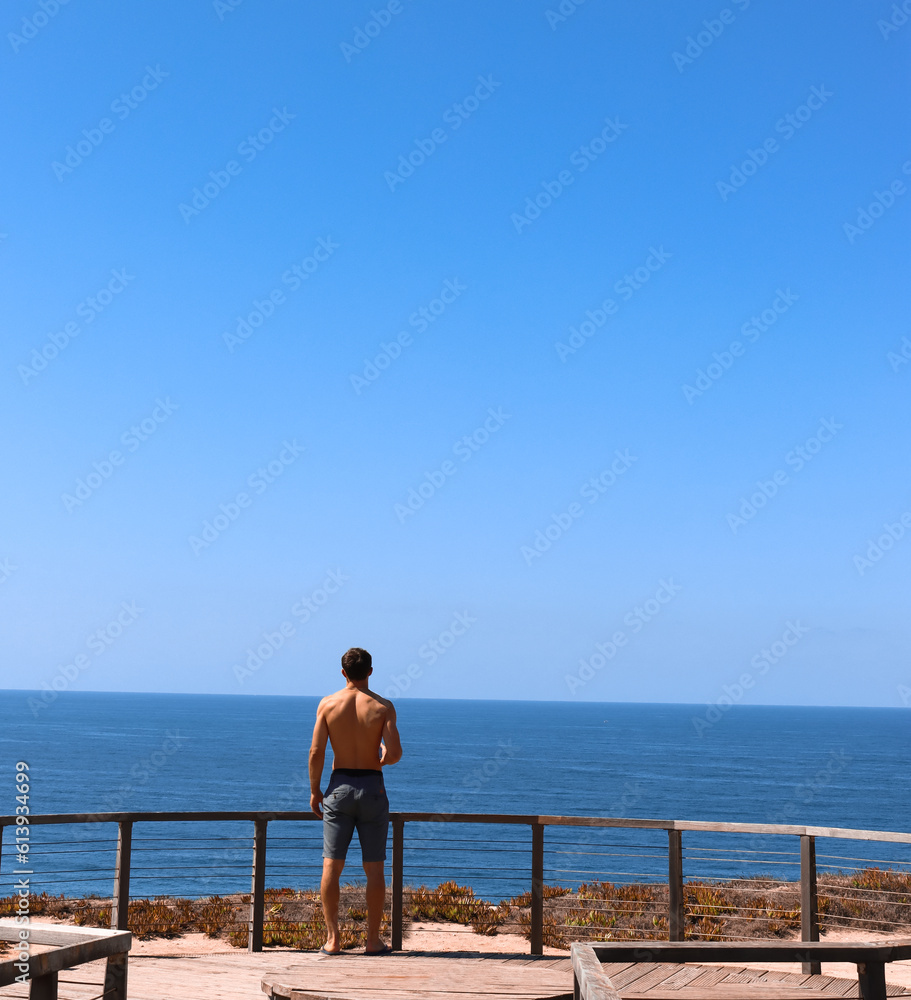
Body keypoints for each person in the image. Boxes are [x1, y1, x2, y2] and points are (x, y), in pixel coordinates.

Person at [309, 647, 402, 955]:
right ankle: (372, 941)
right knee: (374, 869)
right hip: (372, 788)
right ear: (371, 672)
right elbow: (396, 753)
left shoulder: (328, 704)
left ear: (343, 672)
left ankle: (333, 940)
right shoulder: (383, 706)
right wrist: (382, 760)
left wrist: (315, 791)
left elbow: (316, 753)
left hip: (338, 788)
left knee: (331, 867)